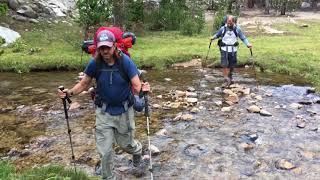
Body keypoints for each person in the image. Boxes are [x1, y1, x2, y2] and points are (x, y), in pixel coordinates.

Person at [58, 29, 150, 180]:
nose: (105, 51)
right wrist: (69, 93)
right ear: (98, 48)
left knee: (127, 145)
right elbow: (84, 84)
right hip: (104, 112)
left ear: (114, 45)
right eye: (102, 47)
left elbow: (137, 85)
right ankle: (108, 177)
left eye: (107, 47)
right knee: (105, 151)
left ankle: (137, 151)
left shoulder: (125, 62)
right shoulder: (95, 63)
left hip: (124, 112)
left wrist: (144, 89)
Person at [211, 15, 252, 87]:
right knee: (224, 64)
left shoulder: (237, 29)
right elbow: (217, 35)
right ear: (226, 21)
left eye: (231, 22)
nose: (229, 24)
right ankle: (226, 79)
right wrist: (213, 38)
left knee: (232, 65)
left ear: (234, 21)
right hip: (224, 49)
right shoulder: (223, 28)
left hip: (233, 50)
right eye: (228, 22)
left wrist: (248, 44)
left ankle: (230, 76)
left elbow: (243, 38)